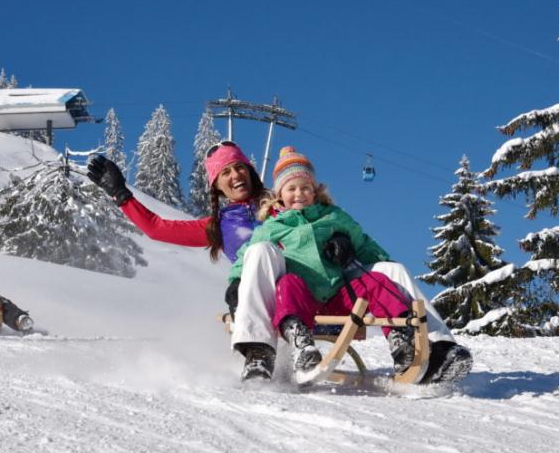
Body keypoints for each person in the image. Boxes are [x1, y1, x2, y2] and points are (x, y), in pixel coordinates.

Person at [87, 144, 472, 383]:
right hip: (279, 299)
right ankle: (257, 352)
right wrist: (123, 196)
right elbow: (156, 228)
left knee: (391, 270)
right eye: (225, 173)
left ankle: (436, 349)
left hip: (329, 287)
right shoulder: (217, 226)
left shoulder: (292, 198)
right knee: (262, 251)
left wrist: (342, 241)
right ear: (216, 186)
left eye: (239, 167)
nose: (235, 175)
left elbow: (331, 216)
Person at [228, 146, 425, 380]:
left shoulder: (334, 217)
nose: (299, 194)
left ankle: (401, 341)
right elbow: (248, 255)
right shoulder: (274, 226)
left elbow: (365, 244)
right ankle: (301, 342)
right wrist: (236, 282)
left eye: (305, 187)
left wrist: (361, 252)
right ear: (280, 194)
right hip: (300, 300)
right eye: (291, 188)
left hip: (337, 296)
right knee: (288, 282)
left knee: (377, 281)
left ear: (315, 191)